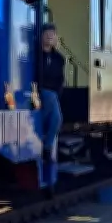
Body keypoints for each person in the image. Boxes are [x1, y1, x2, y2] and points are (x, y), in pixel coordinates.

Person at [39, 23, 64, 197]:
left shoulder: (59, 59)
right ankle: (47, 148)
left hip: (51, 95)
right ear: (41, 36)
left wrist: (54, 93)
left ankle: (47, 147)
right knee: (56, 116)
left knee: (55, 116)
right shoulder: (35, 56)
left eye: (52, 34)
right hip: (37, 92)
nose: (50, 36)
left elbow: (60, 81)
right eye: (47, 33)